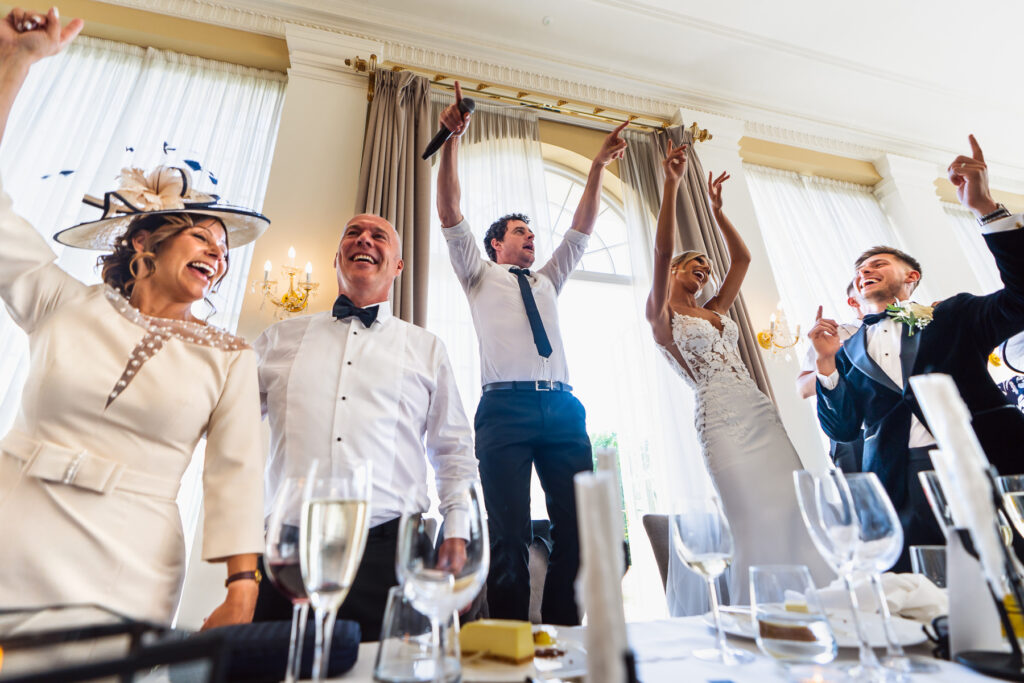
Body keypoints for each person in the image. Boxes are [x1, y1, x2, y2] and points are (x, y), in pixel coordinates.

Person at [0, 8, 268, 628]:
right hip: (12, 527)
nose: (217, 253)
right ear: (145, 242)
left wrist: (242, 589)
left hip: (130, 566)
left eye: (223, 249)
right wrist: (16, 63)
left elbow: (238, 476)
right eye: (202, 235)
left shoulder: (229, 358)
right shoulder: (59, 302)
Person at [435, 81, 626, 625]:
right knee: (509, 534)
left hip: (564, 410)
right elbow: (450, 209)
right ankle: (511, 638)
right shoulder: (477, 273)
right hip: (505, 412)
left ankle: (566, 634)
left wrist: (597, 168)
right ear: (497, 243)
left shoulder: (547, 280)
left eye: (533, 232)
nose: (532, 238)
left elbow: (582, 228)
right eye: (521, 232)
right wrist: (450, 139)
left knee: (581, 528)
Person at [254, 213, 479, 641]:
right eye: (353, 233)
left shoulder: (427, 348)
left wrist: (457, 532)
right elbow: (228, 428)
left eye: (379, 235)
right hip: (290, 553)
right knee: (275, 669)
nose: (365, 240)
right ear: (336, 257)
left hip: (392, 552)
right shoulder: (277, 339)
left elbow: (453, 450)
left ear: (397, 266)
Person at [811, 136, 1024, 568]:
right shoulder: (847, 351)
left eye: (877, 265)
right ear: (853, 297)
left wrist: (986, 209)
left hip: (979, 461)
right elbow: (844, 428)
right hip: (894, 481)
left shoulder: (955, 315)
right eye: (858, 274)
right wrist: (826, 363)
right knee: (921, 590)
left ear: (912, 277)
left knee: (1004, 576)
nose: (864, 272)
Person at [646, 142, 831, 607]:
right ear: (673, 270)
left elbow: (743, 260)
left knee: (793, 508)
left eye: (707, 267)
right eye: (696, 265)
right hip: (720, 420)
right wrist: (671, 184)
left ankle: (808, 607)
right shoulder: (661, 315)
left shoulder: (714, 311)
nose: (706, 272)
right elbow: (662, 245)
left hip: (759, 412)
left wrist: (717, 211)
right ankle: (756, 615)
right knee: (747, 516)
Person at [796, 281, 864, 473]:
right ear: (853, 301)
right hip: (852, 433)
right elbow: (802, 388)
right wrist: (832, 362)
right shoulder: (833, 335)